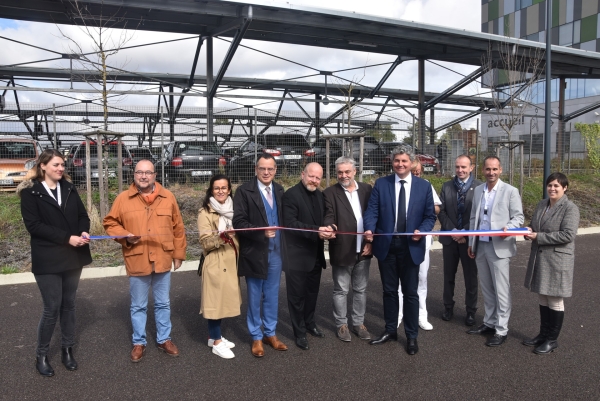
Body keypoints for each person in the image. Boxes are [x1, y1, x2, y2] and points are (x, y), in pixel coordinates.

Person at [103, 160, 187, 362]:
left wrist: (178, 254)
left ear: (155, 175)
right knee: (138, 305)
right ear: (134, 175)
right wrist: (125, 235)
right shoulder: (123, 199)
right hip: (137, 258)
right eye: (139, 172)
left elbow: (178, 227)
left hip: (163, 257)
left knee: (163, 303)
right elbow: (110, 223)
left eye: (147, 172)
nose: (143, 176)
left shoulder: (168, 197)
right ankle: (139, 342)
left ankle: (164, 339)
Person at [19, 149, 92, 377]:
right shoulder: (31, 193)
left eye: (62, 165)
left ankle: (67, 350)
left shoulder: (69, 188)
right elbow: (34, 226)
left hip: (73, 257)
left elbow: (83, 215)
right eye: (56, 165)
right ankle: (41, 355)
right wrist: (66, 238)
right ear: (43, 166)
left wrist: (83, 230)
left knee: (69, 305)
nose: (61, 169)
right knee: (52, 308)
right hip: (48, 258)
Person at [364, 146, 436, 355]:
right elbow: (372, 211)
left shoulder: (424, 186)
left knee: (410, 293)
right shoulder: (381, 184)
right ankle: (390, 331)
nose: (400, 164)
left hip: (411, 246)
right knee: (389, 291)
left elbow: (430, 216)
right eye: (397, 161)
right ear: (392, 162)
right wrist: (369, 227)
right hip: (387, 245)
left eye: (404, 161)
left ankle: (412, 336)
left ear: (412, 162)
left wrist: (421, 231)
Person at [232, 153, 288, 357]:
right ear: (256, 169)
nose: (266, 172)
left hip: (276, 253)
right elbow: (238, 222)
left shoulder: (280, 190)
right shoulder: (244, 191)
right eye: (262, 168)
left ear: (275, 170)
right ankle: (256, 336)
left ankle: (270, 334)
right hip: (255, 252)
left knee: (272, 296)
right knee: (255, 296)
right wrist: (260, 231)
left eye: (270, 169)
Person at [467, 156, 523, 347]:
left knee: (501, 290)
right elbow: (474, 216)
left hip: (499, 246)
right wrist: (471, 242)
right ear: (482, 170)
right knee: (487, 288)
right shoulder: (478, 191)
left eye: (494, 169)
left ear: (500, 170)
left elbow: (518, 217)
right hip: (481, 245)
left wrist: (508, 227)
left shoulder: (510, 191)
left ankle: (501, 329)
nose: (491, 173)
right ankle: (489, 323)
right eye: (488, 169)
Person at [522, 172, 579, 354]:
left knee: (554, 299)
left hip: (557, 260)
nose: (552, 189)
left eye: (556, 186)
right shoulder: (542, 204)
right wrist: (527, 230)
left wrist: (538, 236)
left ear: (565, 188)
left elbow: (568, 235)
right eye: (550, 185)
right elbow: (534, 226)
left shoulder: (570, 208)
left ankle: (552, 339)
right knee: (543, 296)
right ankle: (543, 334)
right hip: (541, 257)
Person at [282, 162, 334, 350]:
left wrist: (330, 228)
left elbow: (326, 218)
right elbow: (290, 224)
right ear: (303, 174)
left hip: (315, 255)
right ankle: (299, 332)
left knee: (312, 294)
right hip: (297, 257)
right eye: (311, 176)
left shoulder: (320, 195)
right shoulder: (290, 195)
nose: (314, 180)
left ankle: (310, 324)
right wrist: (317, 231)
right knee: (296, 297)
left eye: (318, 178)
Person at [323, 156, 373, 342]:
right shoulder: (329, 193)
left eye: (347, 172)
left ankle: (358, 323)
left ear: (355, 172)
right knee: (341, 290)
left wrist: (370, 242)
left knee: (360, 289)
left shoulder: (367, 190)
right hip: (342, 249)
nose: (343, 176)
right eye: (340, 172)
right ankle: (341, 324)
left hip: (364, 249)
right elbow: (328, 215)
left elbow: (372, 215)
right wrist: (329, 226)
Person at [197, 174, 241, 359]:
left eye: (224, 188)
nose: (221, 191)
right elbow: (205, 242)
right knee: (214, 303)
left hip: (231, 261)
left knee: (222, 300)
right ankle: (216, 342)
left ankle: (215, 336)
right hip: (215, 261)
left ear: (229, 189)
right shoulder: (205, 212)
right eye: (217, 188)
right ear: (211, 190)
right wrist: (223, 237)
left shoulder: (235, 209)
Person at [397, 160, 441, 331]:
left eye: (419, 171)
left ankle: (421, 315)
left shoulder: (426, 186)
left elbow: (436, 209)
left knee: (421, 278)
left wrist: (425, 206)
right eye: (413, 170)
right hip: (401, 240)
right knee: (401, 279)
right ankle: (400, 313)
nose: (416, 173)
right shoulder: (398, 185)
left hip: (420, 240)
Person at [438, 155, 482, 326]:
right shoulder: (447, 186)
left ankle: (471, 311)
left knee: (471, 277)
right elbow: (441, 211)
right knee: (448, 276)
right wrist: (453, 231)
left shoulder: (479, 187)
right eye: (457, 167)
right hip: (450, 239)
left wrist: (464, 232)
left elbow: (478, 213)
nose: (460, 170)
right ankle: (448, 307)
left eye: (464, 167)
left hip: (469, 240)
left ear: (471, 168)